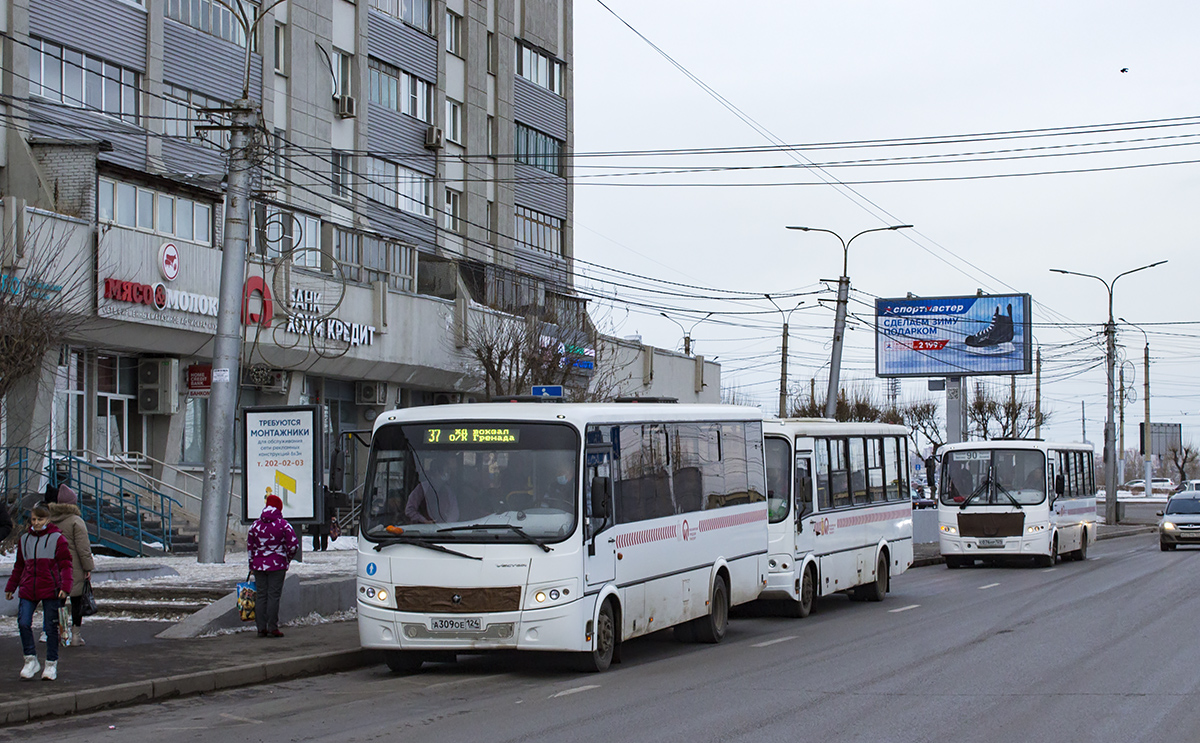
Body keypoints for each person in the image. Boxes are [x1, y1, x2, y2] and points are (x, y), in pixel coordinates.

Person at [5, 505, 72, 681]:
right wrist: (11, 587)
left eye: (40, 519)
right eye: (34, 519)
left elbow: (65, 564)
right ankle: (30, 659)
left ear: (47, 520)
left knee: (50, 628)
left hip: (51, 588)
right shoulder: (25, 539)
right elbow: (19, 565)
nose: (36, 523)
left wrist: (65, 587)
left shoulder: (57, 539)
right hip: (29, 587)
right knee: (23, 622)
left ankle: (51, 663)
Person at [48, 484, 95, 647]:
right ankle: (76, 635)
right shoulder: (76, 521)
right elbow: (83, 548)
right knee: (76, 601)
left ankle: (63, 634)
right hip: (74, 567)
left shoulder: (50, 521)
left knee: (59, 603)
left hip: (56, 567)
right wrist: (88, 567)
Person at [247, 493, 299, 638]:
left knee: (261, 595)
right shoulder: (284, 525)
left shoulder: (255, 525)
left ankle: (260, 628)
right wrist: (286, 559)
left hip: (258, 565)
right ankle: (272, 627)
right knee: (273, 596)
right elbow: (294, 545)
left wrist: (252, 564)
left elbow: (250, 547)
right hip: (277, 565)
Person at [405, 457, 460, 523]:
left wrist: (447, 525)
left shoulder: (448, 491)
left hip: (444, 531)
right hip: (422, 530)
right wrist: (424, 521)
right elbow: (409, 510)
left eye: (448, 472)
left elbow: (454, 513)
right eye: (446, 471)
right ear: (436, 472)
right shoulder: (422, 488)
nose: (447, 474)